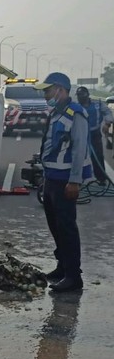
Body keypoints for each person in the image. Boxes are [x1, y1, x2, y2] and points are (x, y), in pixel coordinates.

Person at [34, 73, 92, 292]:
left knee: (67, 228)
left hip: (66, 180)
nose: (45, 95)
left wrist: (75, 181)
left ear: (60, 89)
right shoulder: (57, 114)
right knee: (55, 226)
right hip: (52, 178)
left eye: (47, 90)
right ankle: (62, 266)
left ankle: (73, 276)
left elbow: (79, 149)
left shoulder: (76, 114)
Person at [75, 86, 113, 183]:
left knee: (98, 156)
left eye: (81, 95)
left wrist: (107, 123)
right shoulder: (76, 106)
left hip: (94, 133)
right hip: (81, 134)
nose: (80, 98)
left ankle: (101, 178)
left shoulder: (98, 104)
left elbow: (107, 112)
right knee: (78, 155)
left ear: (87, 95)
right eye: (78, 96)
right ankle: (77, 178)